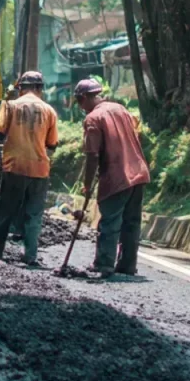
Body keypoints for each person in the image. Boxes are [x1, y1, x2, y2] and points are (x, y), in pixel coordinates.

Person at [73, 77, 152, 278]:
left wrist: (87, 184)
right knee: (131, 222)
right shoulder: (121, 110)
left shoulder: (93, 119)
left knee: (110, 221)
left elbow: (92, 155)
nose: (81, 107)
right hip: (139, 172)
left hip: (118, 175)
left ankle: (104, 264)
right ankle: (127, 265)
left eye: (79, 102)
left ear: (83, 98)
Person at [0, 70, 59, 267]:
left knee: (6, 208)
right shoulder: (50, 111)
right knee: (34, 213)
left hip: (15, 166)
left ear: (21, 89)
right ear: (40, 89)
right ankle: (30, 255)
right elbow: (52, 144)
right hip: (40, 169)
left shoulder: (10, 106)